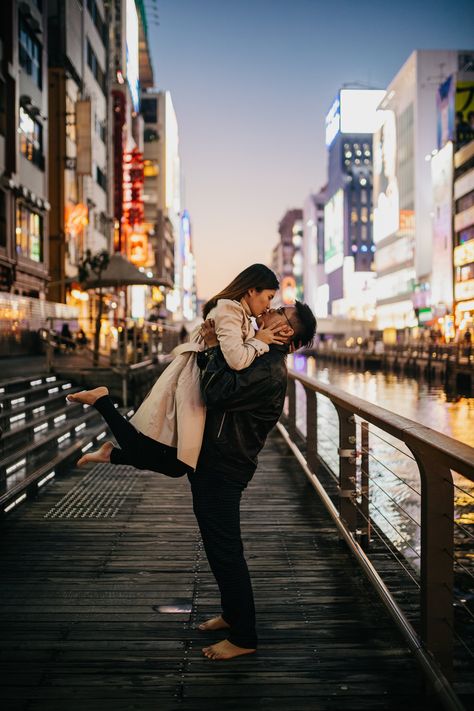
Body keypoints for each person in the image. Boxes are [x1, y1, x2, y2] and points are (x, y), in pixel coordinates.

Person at [70, 301, 317, 661]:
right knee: (215, 541)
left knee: (226, 551)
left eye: (279, 310)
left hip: (224, 466)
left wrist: (216, 347)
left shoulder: (268, 368)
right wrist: (213, 346)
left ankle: (245, 636)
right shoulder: (259, 356)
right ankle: (233, 615)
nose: (270, 308)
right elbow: (219, 382)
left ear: (287, 331)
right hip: (214, 459)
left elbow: (216, 391)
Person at [66, 264, 289, 471]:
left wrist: (257, 339)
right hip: (193, 386)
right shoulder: (229, 311)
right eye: (268, 297)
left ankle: (110, 452)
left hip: (199, 386)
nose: (268, 305)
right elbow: (237, 360)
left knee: (175, 462)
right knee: (176, 460)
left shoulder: (239, 315)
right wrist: (260, 341)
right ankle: (102, 403)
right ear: (251, 290)